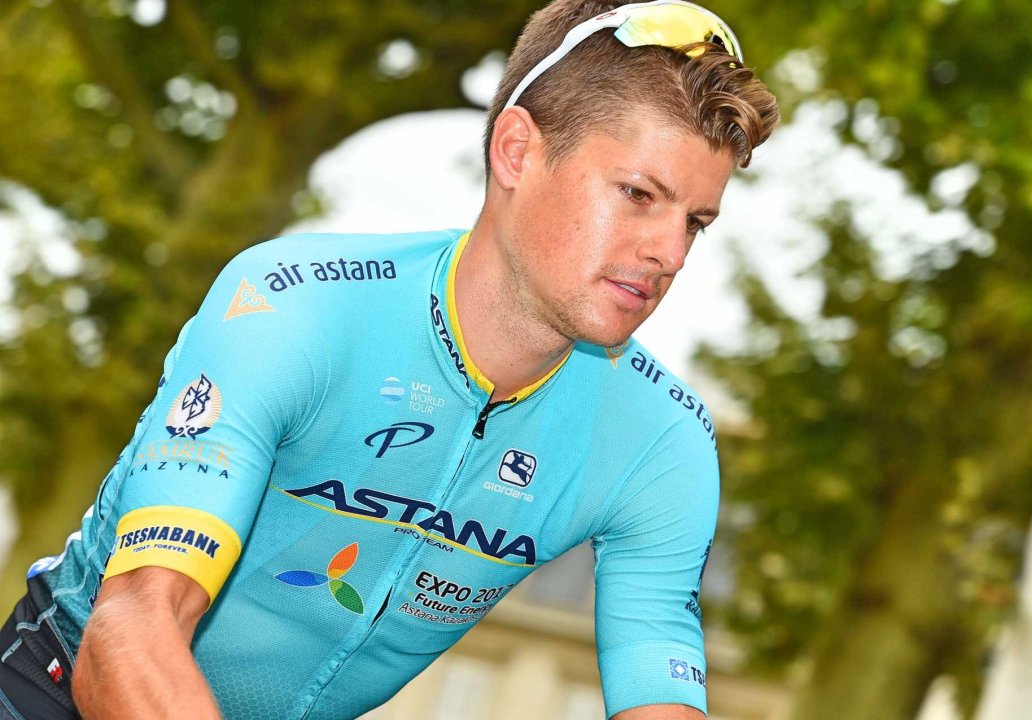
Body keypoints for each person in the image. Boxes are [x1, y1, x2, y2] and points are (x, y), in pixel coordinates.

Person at [0, 0, 778, 717]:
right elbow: (131, 625)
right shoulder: (297, 306)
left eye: (696, 222)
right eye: (638, 194)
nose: (670, 252)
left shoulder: (662, 441)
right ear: (516, 150)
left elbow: (659, 695)